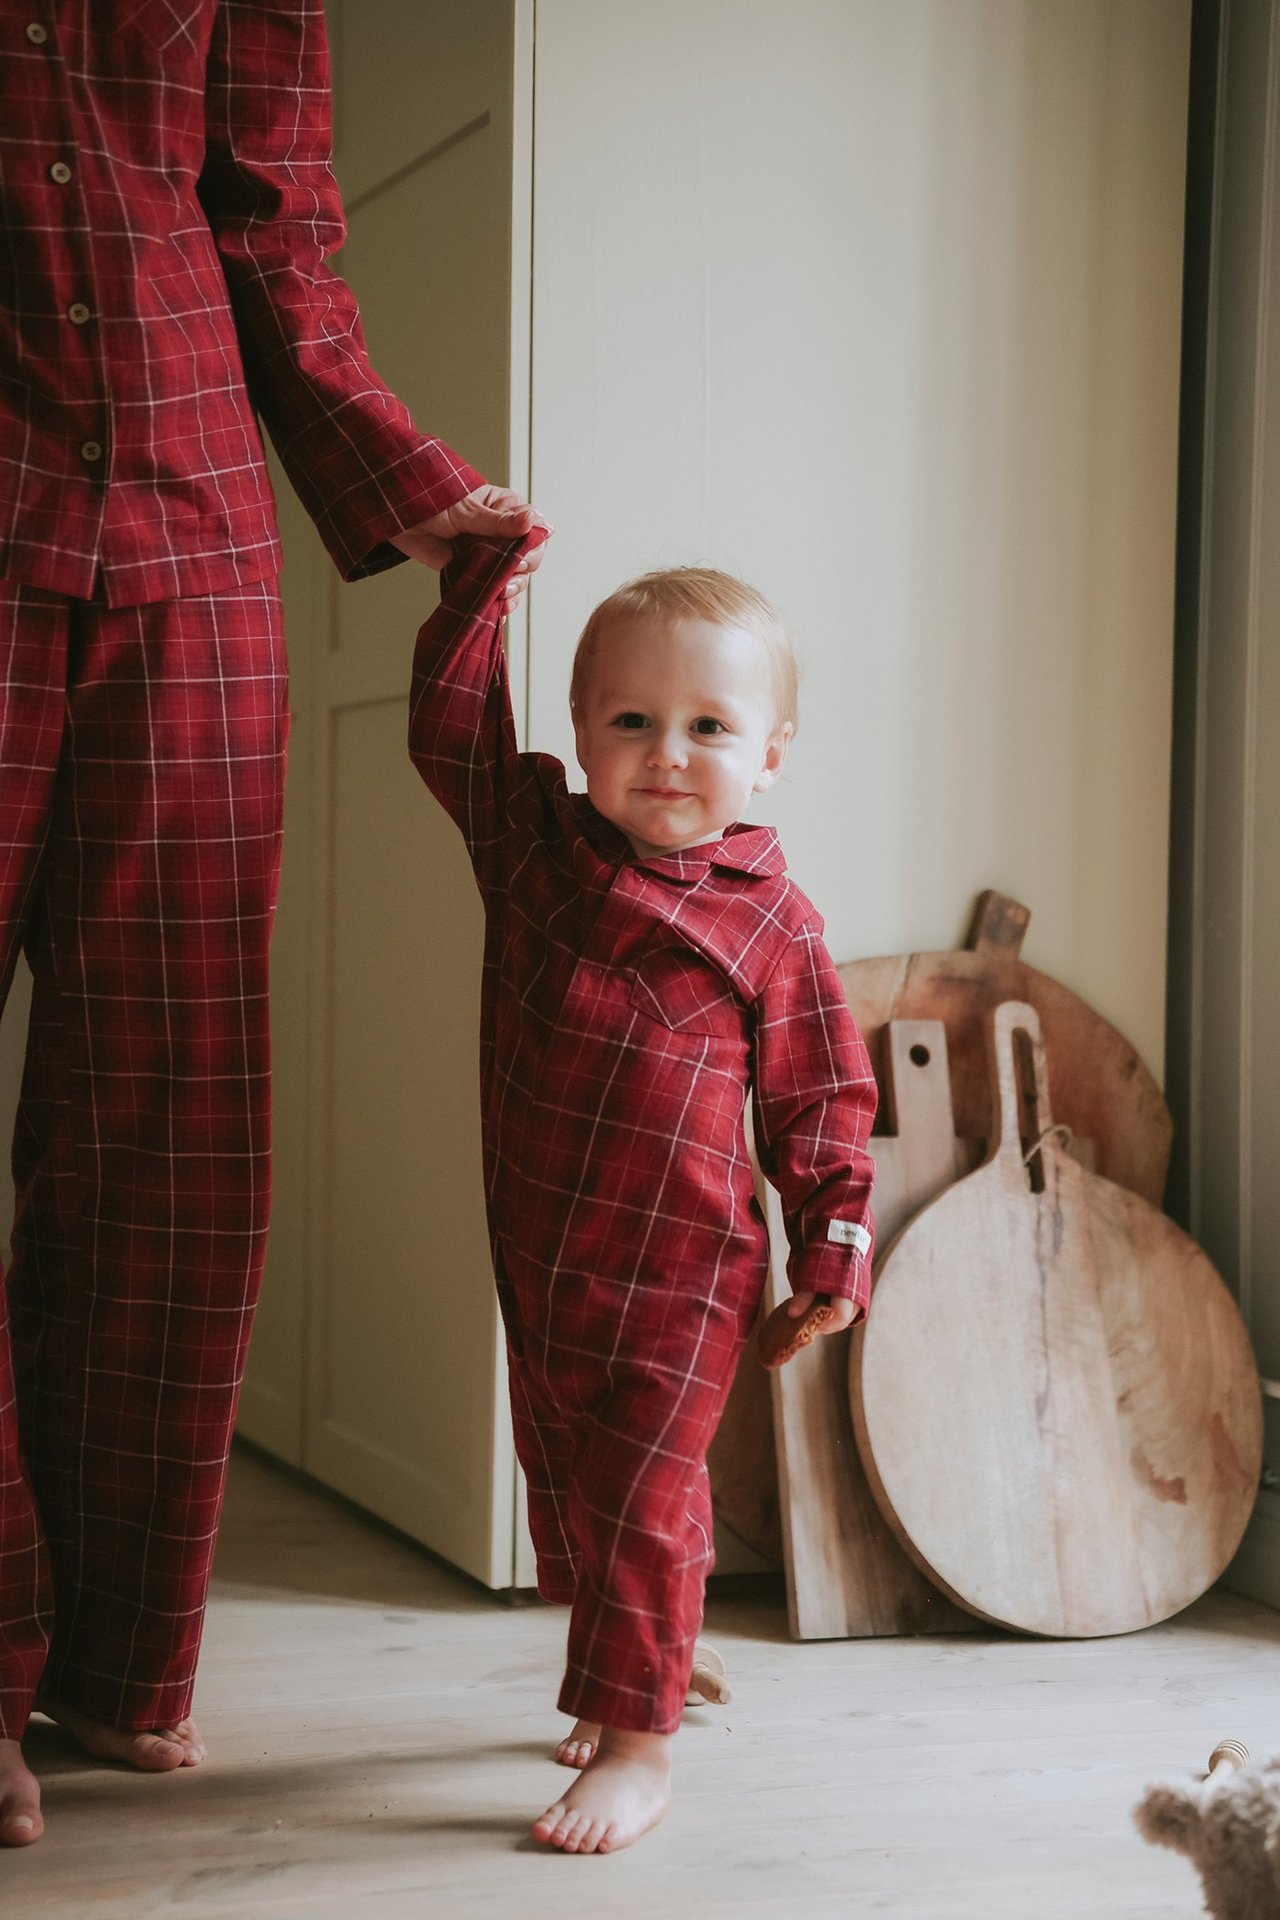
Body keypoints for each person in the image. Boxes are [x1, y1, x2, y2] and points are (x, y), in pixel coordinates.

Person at [0, 0, 545, 1848]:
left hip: (197, 531)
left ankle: (114, 1654)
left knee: (168, 1128)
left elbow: (272, 224)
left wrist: (403, 473)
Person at [408, 533, 876, 1853]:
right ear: (580, 731)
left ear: (770, 753)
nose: (668, 752)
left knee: (646, 1490)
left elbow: (825, 1102)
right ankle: (638, 1660)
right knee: (566, 1475)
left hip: (684, 1272)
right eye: (632, 719)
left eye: (709, 726)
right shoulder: (535, 854)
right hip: (546, 1246)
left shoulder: (770, 925)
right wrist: (476, 594)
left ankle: (638, 1744)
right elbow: (450, 735)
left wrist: (831, 1259)